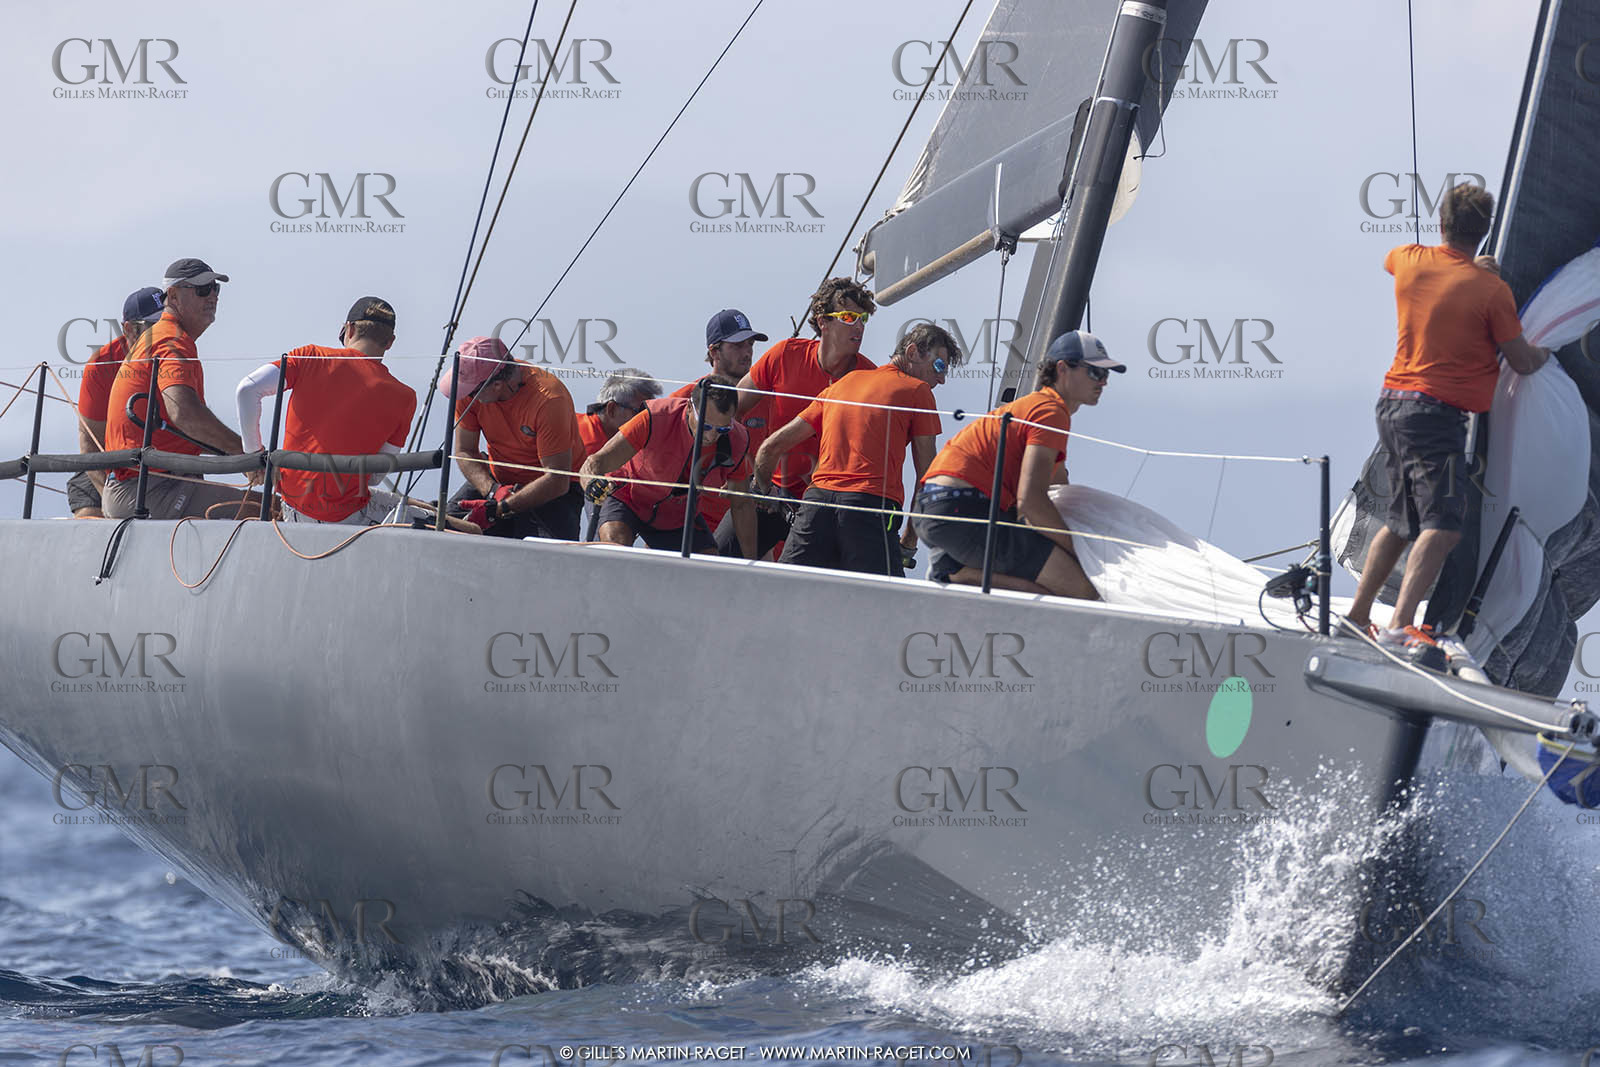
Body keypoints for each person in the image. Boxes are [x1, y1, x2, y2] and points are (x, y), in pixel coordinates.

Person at [1345, 183, 1549, 650]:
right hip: (1436, 417)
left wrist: (1461, 267)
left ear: (1442, 222)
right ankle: (1399, 628)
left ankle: (1357, 617)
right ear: (1486, 230)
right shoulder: (1491, 290)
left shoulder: (1407, 259)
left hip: (1393, 407)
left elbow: (1390, 260)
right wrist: (1544, 358)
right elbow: (1519, 359)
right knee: (1444, 526)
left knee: (1402, 524)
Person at [912, 329, 1123, 599]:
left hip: (938, 507)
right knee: (1083, 591)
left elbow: (1057, 488)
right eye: (1095, 372)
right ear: (1062, 369)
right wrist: (1079, 551)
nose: (1103, 382)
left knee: (1057, 583)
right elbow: (1031, 502)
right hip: (963, 509)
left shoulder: (1036, 408)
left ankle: (956, 570)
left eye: (1106, 375)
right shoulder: (1050, 411)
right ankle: (955, 573)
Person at [236, 297, 464, 529]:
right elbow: (374, 476)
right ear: (390, 342)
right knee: (456, 527)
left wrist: (255, 457)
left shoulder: (309, 356)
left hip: (292, 508)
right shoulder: (405, 397)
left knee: (409, 504)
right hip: (349, 517)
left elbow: (247, 389)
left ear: (349, 329)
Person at [755, 323, 957, 576]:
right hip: (869, 508)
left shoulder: (843, 384)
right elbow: (928, 478)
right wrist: (910, 539)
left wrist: (762, 490)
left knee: (784, 590)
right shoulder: (918, 391)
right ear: (913, 352)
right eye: (939, 366)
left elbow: (771, 447)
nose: (941, 378)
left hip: (816, 507)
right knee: (886, 605)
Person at [726, 278, 877, 558]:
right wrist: (734, 467)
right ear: (823, 322)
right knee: (716, 557)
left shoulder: (870, 379)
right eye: (848, 317)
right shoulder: (785, 355)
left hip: (825, 504)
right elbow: (730, 409)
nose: (859, 326)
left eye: (863, 318)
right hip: (770, 492)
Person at [103, 258, 260, 520]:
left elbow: (183, 424)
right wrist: (248, 454)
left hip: (141, 484)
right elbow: (185, 414)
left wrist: (241, 455)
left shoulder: (161, 336)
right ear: (173, 296)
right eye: (202, 289)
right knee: (272, 511)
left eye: (215, 288)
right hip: (149, 488)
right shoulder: (171, 340)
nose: (212, 296)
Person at [579, 375, 758, 557]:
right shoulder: (655, 417)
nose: (712, 436)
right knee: (616, 548)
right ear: (689, 407)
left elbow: (742, 504)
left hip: (677, 515)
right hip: (627, 499)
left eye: (722, 429)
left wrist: (753, 563)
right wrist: (591, 483)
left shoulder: (738, 439)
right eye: (705, 426)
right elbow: (596, 462)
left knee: (707, 566)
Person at [444, 336, 585, 540]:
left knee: (551, 558)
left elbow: (557, 479)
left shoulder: (549, 400)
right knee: (441, 528)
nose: (465, 395)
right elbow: (465, 450)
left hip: (553, 491)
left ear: (498, 385)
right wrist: (493, 492)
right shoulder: (469, 392)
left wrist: (501, 508)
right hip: (497, 481)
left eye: (472, 391)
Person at [671, 309, 769, 539]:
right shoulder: (685, 398)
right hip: (688, 525)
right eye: (737, 346)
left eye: (750, 345)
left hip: (745, 524)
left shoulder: (767, 400)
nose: (747, 353)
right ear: (714, 351)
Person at [70, 286, 164, 517]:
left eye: (168, 324)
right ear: (129, 329)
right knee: (89, 519)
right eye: (154, 327)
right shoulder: (102, 364)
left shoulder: (175, 355)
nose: (164, 333)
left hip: (162, 464)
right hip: (108, 467)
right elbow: (89, 446)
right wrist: (111, 501)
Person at [577, 368, 661, 461]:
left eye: (649, 414)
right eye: (639, 413)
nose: (647, 421)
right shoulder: (585, 445)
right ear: (611, 409)